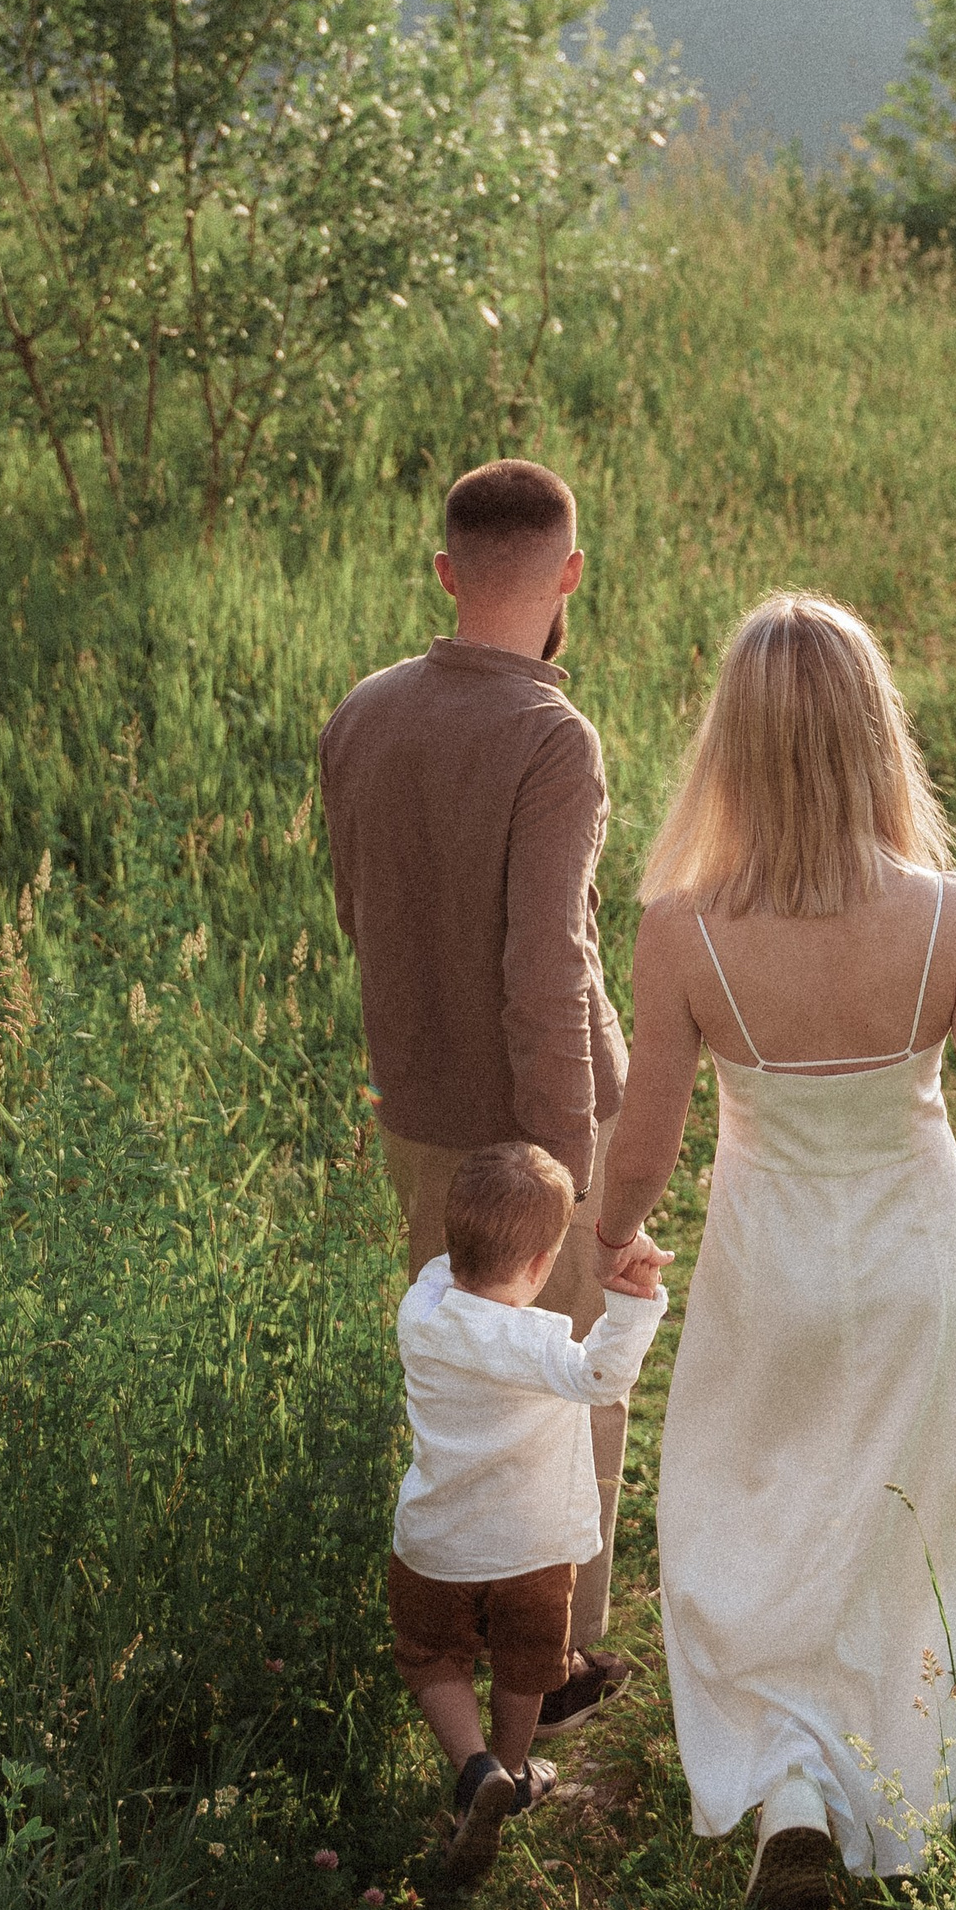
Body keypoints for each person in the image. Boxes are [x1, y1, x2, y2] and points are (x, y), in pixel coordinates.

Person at [593, 593, 956, 1910]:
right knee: (898, 1532)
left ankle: (788, 1786)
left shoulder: (682, 928)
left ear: (731, 745)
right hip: (915, 1258)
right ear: (872, 735)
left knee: (756, 1509)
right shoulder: (954, 916)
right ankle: (866, 1794)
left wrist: (604, 1243)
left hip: (768, 1260)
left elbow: (640, 1152)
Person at [318, 458, 636, 1737]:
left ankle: (462, 1649)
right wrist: (564, 1154)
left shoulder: (364, 710)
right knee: (561, 1405)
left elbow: (359, 911)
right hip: (535, 1119)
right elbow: (550, 960)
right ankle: (547, 1667)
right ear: (570, 574)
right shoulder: (552, 737)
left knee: (458, 1394)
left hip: (419, 1113)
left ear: (445, 573)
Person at [389, 1141, 670, 1879]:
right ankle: (511, 1772)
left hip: (439, 1541)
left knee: (432, 1655)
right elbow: (599, 1375)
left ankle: (472, 1766)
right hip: (532, 1550)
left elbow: (451, 1276)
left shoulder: (421, 1306)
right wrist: (632, 1303)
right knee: (525, 1664)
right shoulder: (540, 1344)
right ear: (544, 1266)